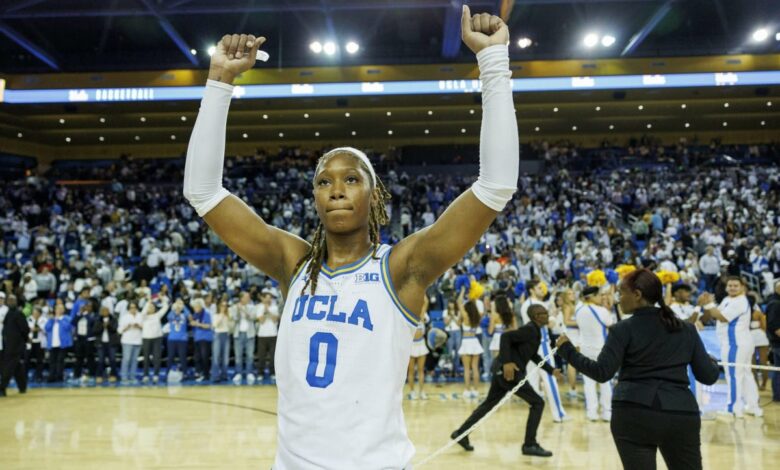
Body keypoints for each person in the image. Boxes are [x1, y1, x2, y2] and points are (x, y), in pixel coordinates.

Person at [183, 6, 519, 467]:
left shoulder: (402, 267)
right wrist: (220, 80)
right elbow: (201, 191)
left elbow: (496, 185)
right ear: (315, 197)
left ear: (374, 195)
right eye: (324, 181)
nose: (336, 189)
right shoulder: (293, 263)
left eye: (351, 179)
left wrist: (494, 62)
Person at [556, 269, 720, 470]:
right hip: (679, 413)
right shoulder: (686, 329)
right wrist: (712, 362)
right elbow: (708, 376)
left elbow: (602, 372)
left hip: (633, 412)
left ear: (637, 295)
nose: (618, 299)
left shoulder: (622, 329)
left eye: (622, 293)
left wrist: (568, 351)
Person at [451, 304, 563, 457]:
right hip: (510, 373)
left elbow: (532, 355)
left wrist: (551, 370)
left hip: (502, 371)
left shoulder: (536, 331)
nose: (546, 315)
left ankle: (461, 433)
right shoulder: (530, 329)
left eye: (545, 312)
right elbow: (506, 337)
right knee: (538, 403)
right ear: (535, 317)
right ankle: (529, 444)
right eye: (542, 313)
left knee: (488, 405)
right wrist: (507, 363)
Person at [698, 276, 763, 418]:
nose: (732, 288)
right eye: (730, 285)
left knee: (734, 376)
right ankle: (753, 406)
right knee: (745, 374)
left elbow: (722, 317)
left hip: (736, 343)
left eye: (736, 285)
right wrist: (706, 304)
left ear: (742, 287)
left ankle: (733, 408)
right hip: (739, 342)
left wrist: (709, 304)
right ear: (726, 287)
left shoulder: (740, 301)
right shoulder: (728, 300)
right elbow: (714, 314)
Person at [666, 284, 707, 413]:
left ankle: (697, 405)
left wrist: (708, 306)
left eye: (689, 291)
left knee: (697, 377)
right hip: (679, 348)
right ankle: (686, 406)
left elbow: (703, 321)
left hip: (694, 346)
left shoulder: (690, 307)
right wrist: (699, 306)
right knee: (685, 377)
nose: (688, 294)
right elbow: (687, 323)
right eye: (685, 291)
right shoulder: (671, 309)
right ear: (676, 293)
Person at [576, 285, 613, 422]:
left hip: (585, 349)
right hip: (601, 349)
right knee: (605, 382)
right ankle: (606, 412)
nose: (601, 298)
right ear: (591, 297)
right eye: (599, 295)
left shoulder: (579, 310)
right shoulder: (601, 310)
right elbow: (610, 323)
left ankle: (591, 412)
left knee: (589, 383)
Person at [1, 295, 30, 397]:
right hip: (9, 345)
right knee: (17, 367)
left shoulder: (18, 313)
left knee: (8, 368)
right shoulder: (9, 314)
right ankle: (22, 387)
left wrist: (22, 341)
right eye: (9, 300)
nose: (11, 302)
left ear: (16, 302)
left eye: (13, 300)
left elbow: (25, 329)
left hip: (15, 346)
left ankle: (2, 388)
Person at [457, 291, 484, 399]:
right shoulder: (477, 317)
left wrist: (462, 290)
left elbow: (459, 302)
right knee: (475, 368)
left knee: (467, 369)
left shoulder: (465, 316)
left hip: (466, 342)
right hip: (474, 341)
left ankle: (467, 390)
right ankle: (476, 390)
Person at [229, 291, 257, 385]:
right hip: (238, 334)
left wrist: (244, 310)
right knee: (238, 356)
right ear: (241, 298)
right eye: (246, 297)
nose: (248, 298)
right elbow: (235, 318)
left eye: (248, 297)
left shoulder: (252, 307)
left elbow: (253, 318)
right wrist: (238, 310)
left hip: (250, 334)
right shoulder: (234, 307)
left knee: (250, 355)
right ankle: (239, 373)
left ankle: (249, 373)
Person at [140, 294, 169, 384]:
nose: (151, 308)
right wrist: (149, 301)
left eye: (152, 307)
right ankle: (145, 375)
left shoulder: (157, 315)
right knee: (146, 358)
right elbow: (143, 311)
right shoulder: (144, 316)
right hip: (146, 338)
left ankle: (156, 375)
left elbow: (166, 307)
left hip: (157, 338)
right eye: (149, 307)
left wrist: (162, 299)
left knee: (157, 357)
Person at [45, 303, 73, 383]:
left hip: (62, 344)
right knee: (52, 361)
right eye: (58, 308)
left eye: (61, 308)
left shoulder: (67, 318)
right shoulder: (51, 319)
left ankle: (59, 376)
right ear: (55, 310)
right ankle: (51, 376)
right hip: (52, 343)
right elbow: (47, 328)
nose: (60, 310)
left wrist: (59, 320)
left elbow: (68, 327)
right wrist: (51, 320)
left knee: (60, 360)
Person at [255, 289, 279, 381]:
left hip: (273, 334)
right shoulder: (259, 307)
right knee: (261, 356)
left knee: (273, 356)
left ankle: (272, 373)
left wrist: (268, 310)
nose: (269, 300)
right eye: (267, 298)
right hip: (262, 335)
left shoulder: (275, 307)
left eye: (270, 298)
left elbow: (274, 320)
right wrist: (265, 311)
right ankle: (260, 373)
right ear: (263, 299)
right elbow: (261, 321)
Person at [118, 301, 143, 384]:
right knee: (126, 359)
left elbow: (145, 327)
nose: (133, 309)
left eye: (134, 307)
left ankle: (132, 377)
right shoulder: (124, 317)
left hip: (138, 340)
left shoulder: (140, 316)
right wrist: (127, 327)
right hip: (127, 340)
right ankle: (124, 377)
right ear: (129, 309)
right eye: (131, 308)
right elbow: (119, 330)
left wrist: (139, 326)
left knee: (134, 360)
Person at [93, 306, 120, 383]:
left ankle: (113, 375)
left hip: (111, 343)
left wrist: (108, 326)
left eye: (106, 311)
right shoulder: (98, 320)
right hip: (101, 344)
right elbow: (95, 331)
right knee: (101, 360)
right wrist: (102, 326)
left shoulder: (113, 319)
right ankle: (99, 375)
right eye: (103, 311)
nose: (105, 312)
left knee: (112, 360)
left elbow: (114, 329)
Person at [407, 308, 429, 400]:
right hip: (411, 344)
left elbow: (425, 302)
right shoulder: (407, 311)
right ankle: (412, 391)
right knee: (411, 371)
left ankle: (422, 391)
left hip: (421, 344)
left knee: (421, 370)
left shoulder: (424, 313)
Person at [189, 298, 213, 382]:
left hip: (205, 338)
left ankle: (206, 374)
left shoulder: (206, 314)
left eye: (196, 307)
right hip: (197, 338)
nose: (195, 308)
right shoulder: (195, 315)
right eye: (194, 307)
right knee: (197, 357)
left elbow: (208, 326)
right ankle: (199, 373)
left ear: (200, 306)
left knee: (204, 357)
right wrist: (192, 323)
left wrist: (197, 324)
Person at [210, 298, 231, 383]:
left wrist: (228, 317)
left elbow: (230, 327)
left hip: (226, 335)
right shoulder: (215, 315)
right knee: (216, 357)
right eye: (222, 306)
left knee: (225, 357)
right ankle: (215, 376)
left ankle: (224, 375)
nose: (224, 307)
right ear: (219, 306)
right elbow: (215, 325)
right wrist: (222, 315)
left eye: (225, 306)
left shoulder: (228, 316)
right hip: (218, 335)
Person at [766, 280, 780, 402]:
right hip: (778, 343)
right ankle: (778, 395)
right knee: (778, 370)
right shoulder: (775, 303)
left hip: (776, 343)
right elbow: (774, 326)